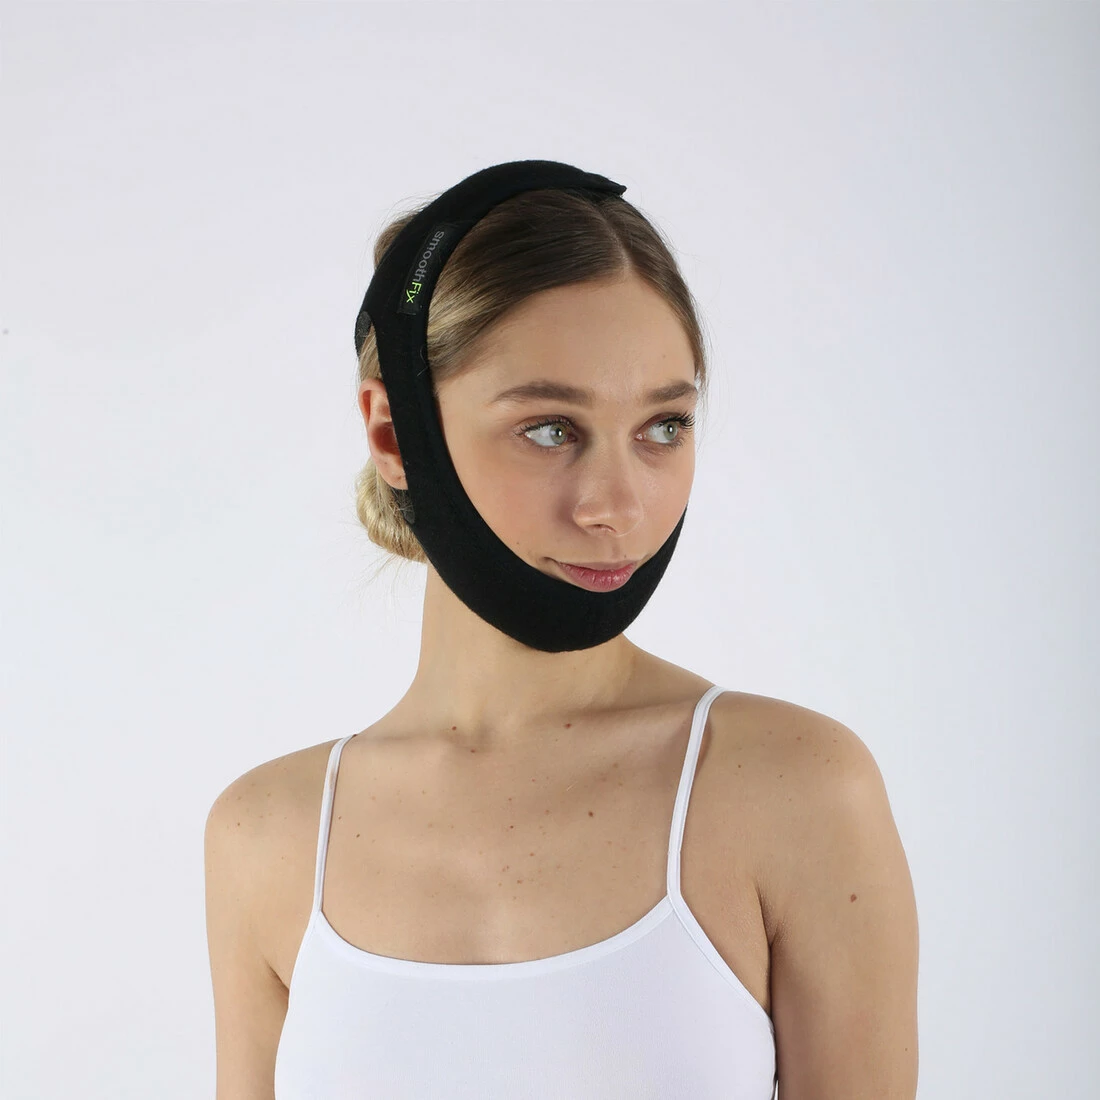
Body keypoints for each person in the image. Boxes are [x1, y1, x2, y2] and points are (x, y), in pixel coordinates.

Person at [204, 168, 919, 1099]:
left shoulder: (794, 790)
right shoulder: (268, 836)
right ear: (393, 435)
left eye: (663, 426)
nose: (618, 506)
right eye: (550, 430)